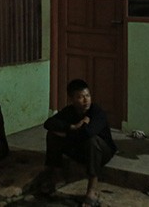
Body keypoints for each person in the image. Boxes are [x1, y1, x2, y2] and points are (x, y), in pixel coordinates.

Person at [42, 79, 117, 207]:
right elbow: (48, 124)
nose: (86, 100)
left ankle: (92, 191)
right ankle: (57, 177)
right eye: (80, 97)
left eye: (87, 96)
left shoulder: (96, 112)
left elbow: (88, 133)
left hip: (102, 152)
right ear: (72, 99)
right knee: (52, 135)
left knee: (92, 140)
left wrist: (67, 133)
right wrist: (72, 127)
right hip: (81, 149)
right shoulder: (70, 111)